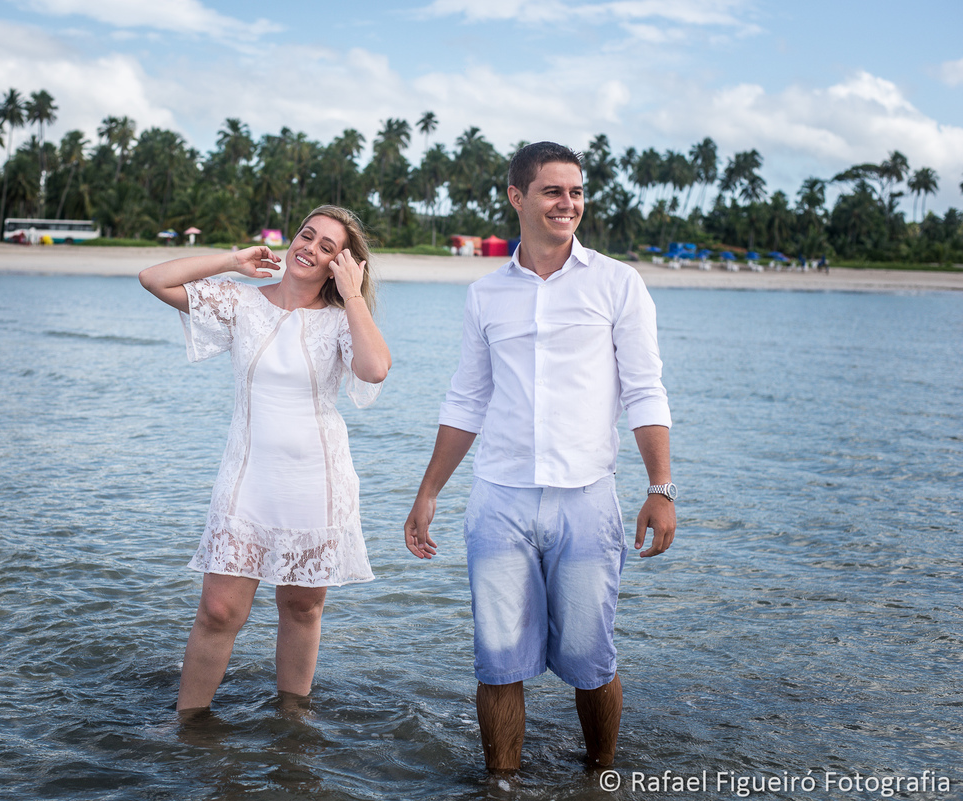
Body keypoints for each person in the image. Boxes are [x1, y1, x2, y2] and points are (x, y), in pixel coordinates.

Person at [403, 142, 676, 772]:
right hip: (498, 499)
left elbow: (644, 388)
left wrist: (661, 488)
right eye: (554, 191)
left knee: (591, 659)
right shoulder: (485, 295)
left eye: (576, 191)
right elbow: (467, 399)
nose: (568, 203)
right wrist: (428, 493)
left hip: (587, 498)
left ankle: (601, 775)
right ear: (517, 197)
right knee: (498, 661)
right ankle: (501, 784)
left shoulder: (617, 282)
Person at [139, 205, 391, 713]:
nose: (310, 249)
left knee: (301, 607)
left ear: (341, 265)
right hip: (247, 479)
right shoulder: (241, 305)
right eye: (307, 235)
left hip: (315, 483)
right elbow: (153, 278)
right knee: (217, 609)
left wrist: (352, 295)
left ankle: (292, 726)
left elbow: (375, 368)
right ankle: (188, 724)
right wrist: (231, 260)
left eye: (328, 248)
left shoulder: (344, 321)